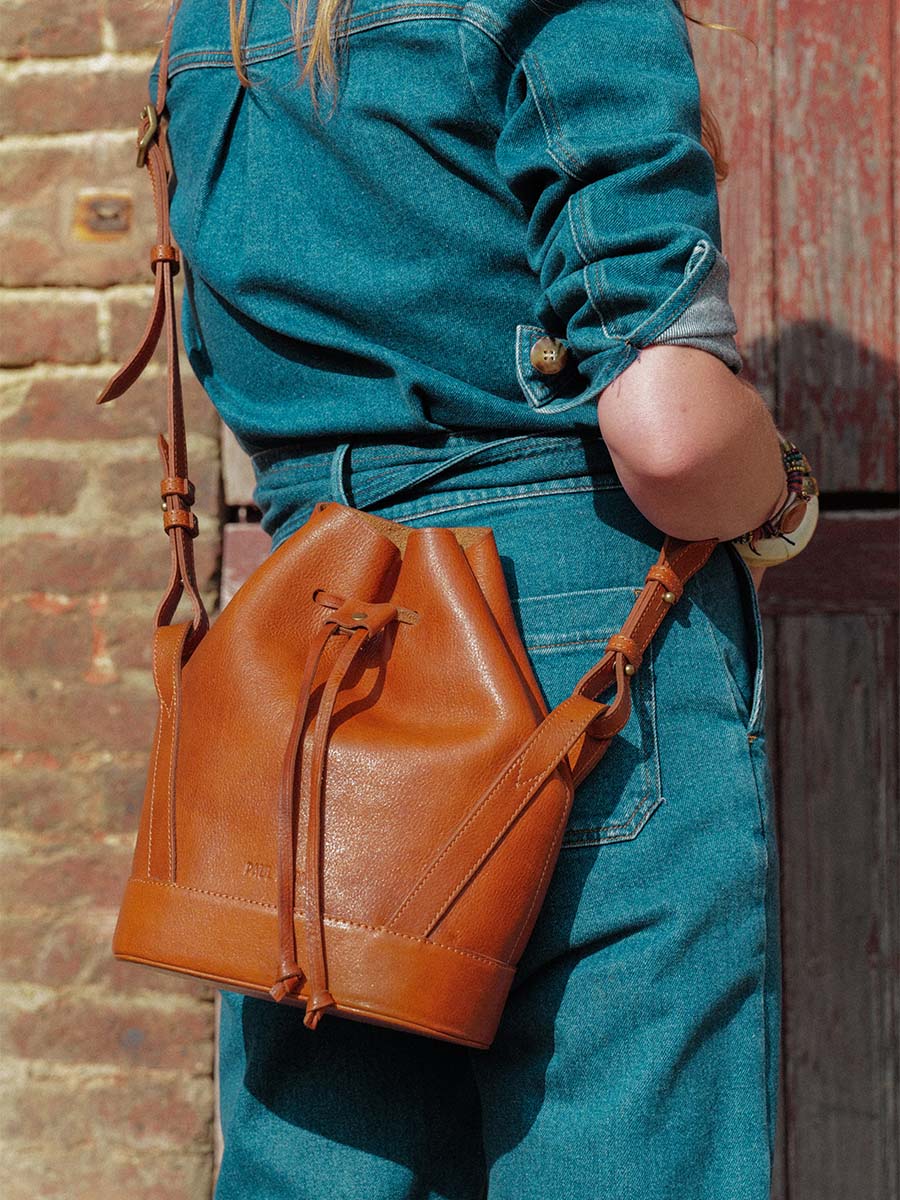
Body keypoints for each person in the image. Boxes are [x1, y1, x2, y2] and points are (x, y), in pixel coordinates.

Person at [144, 0, 819, 1195]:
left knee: (328, 1167)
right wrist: (784, 499)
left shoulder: (211, 33)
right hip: (575, 634)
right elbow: (669, 432)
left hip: (313, 642)